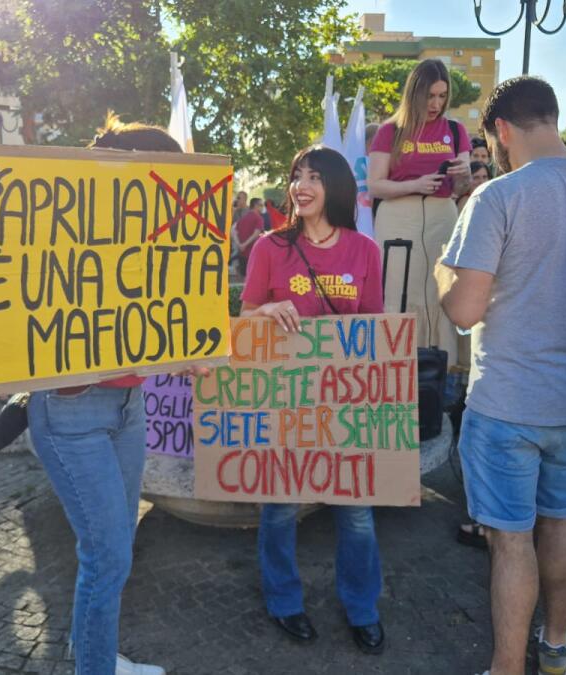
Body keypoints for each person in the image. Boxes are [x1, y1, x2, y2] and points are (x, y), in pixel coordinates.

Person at [0, 112, 177, 675]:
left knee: (114, 549)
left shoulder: (154, 237)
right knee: (107, 556)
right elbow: (15, 269)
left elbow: (176, 312)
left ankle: (95, 652)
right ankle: (96, 666)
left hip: (129, 409)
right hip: (70, 411)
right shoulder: (62, 224)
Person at [437, 76, 566, 675]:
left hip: (508, 396)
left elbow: (463, 309)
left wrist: (442, 273)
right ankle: (557, 643)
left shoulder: (498, 197)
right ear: (554, 119)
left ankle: (508, 665)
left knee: (511, 538)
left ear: (501, 131)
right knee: (561, 521)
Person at [241, 146, 388, 656]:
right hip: (284, 401)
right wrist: (267, 311)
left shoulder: (365, 251)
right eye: (296, 175)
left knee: (357, 515)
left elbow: (375, 333)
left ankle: (363, 607)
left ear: (337, 186)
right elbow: (247, 317)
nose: (301, 185)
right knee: (278, 510)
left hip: (345, 408)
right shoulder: (268, 248)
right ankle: (283, 599)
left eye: (314, 177)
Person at [368, 58, 472, 361]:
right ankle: (393, 362)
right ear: (415, 93)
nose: (436, 104)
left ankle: (444, 370)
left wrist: (463, 174)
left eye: (442, 96)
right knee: (398, 289)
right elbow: (375, 185)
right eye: (430, 96)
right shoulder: (390, 131)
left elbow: (459, 190)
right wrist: (415, 184)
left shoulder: (455, 130)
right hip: (397, 216)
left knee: (441, 290)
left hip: (443, 214)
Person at [232, 197, 265, 272]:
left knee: (243, 277)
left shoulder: (244, 218)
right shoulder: (258, 218)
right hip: (253, 253)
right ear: (255, 205)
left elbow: (234, 231)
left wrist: (239, 245)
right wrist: (244, 245)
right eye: (261, 205)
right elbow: (256, 234)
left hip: (241, 253)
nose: (263, 207)